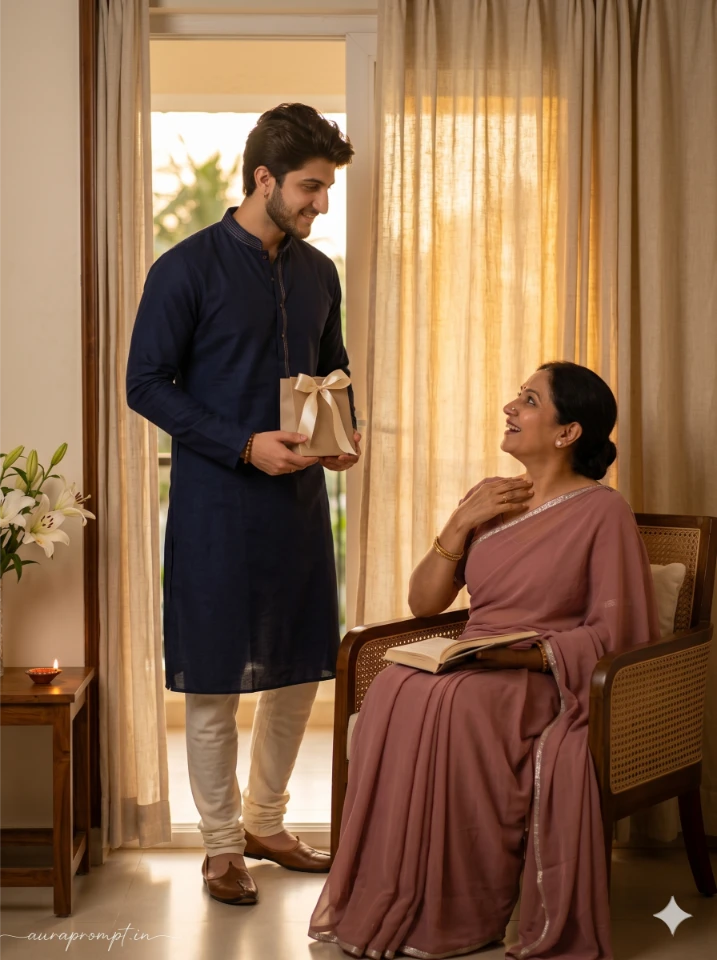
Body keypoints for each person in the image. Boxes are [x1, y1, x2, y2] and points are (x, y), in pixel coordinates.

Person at [310, 362, 659, 959]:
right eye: (517, 396)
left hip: (540, 673)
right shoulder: (489, 497)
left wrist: (525, 655)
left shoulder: (603, 512)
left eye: (529, 400)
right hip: (473, 657)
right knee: (394, 685)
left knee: (459, 704)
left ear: (567, 432)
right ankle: (393, 894)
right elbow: (424, 603)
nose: (510, 408)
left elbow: (616, 631)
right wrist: (460, 522)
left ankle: (458, 911)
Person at [126, 104, 361, 905]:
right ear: (264, 178)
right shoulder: (183, 269)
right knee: (215, 677)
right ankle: (222, 846)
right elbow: (144, 384)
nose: (320, 204)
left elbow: (334, 369)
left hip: (297, 506)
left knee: (298, 672)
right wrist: (241, 443)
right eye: (310, 187)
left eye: (325, 189)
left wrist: (342, 432)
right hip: (215, 506)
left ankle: (266, 822)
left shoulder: (317, 272)